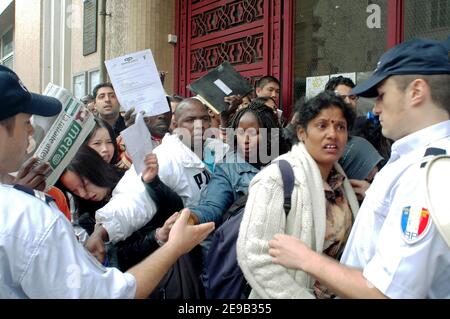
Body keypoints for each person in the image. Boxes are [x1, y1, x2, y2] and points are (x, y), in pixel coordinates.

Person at [0, 65, 214, 298]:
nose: (31, 131)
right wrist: (170, 245)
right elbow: (106, 294)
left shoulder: (221, 151)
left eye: (205, 119)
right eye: (25, 122)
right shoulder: (28, 217)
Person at [268, 38, 450, 299]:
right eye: (321, 125)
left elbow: (384, 293)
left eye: (382, 96)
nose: (375, 109)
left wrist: (305, 258)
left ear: (416, 91)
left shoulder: (424, 176)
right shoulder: (417, 162)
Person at [237, 91, 359, 299]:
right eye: (322, 125)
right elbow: (256, 257)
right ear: (301, 133)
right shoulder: (275, 179)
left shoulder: (341, 183)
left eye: (340, 126)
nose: (333, 134)